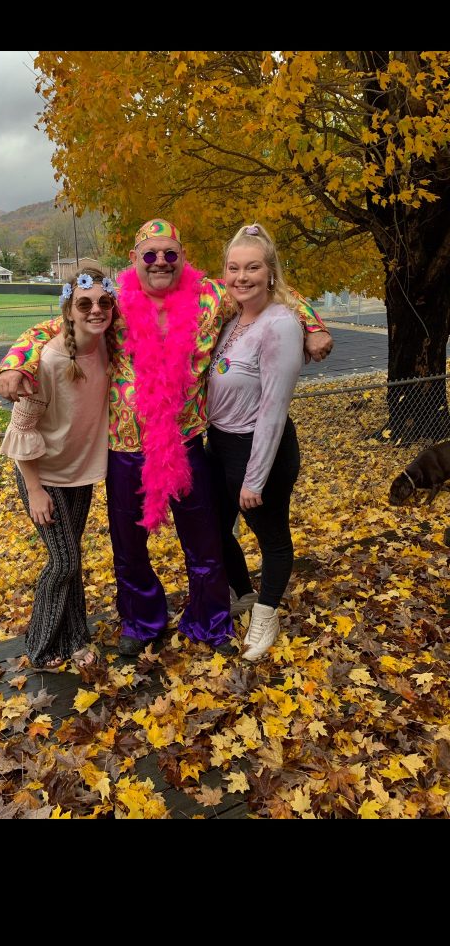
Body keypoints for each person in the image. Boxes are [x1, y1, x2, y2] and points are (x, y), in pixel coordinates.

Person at [0, 219, 333, 657]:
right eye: (150, 255)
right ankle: (141, 622)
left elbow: (273, 293)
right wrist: (14, 363)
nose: (160, 262)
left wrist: (313, 325)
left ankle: (209, 622)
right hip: (125, 451)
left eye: (170, 254)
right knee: (129, 549)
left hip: (186, 446)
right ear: (133, 259)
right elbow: (52, 327)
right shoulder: (113, 302)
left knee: (205, 544)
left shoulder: (211, 297)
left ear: (182, 257)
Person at [0, 267, 117, 670]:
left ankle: (75, 639)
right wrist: (34, 490)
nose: (96, 310)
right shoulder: (48, 360)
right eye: (84, 304)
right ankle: (40, 644)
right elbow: (21, 428)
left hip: (79, 473)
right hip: (43, 475)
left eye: (104, 302)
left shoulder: (107, 347)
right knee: (63, 562)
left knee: (72, 558)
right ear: (69, 311)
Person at [206, 224, 305, 661]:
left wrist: (255, 478)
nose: (241, 276)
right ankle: (245, 593)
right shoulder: (233, 319)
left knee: (271, 537)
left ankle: (266, 616)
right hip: (221, 445)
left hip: (259, 448)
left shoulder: (280, 325)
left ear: (270, 273)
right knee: (213, 526)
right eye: (233, 268)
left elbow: (273, 408)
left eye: (252, 267)